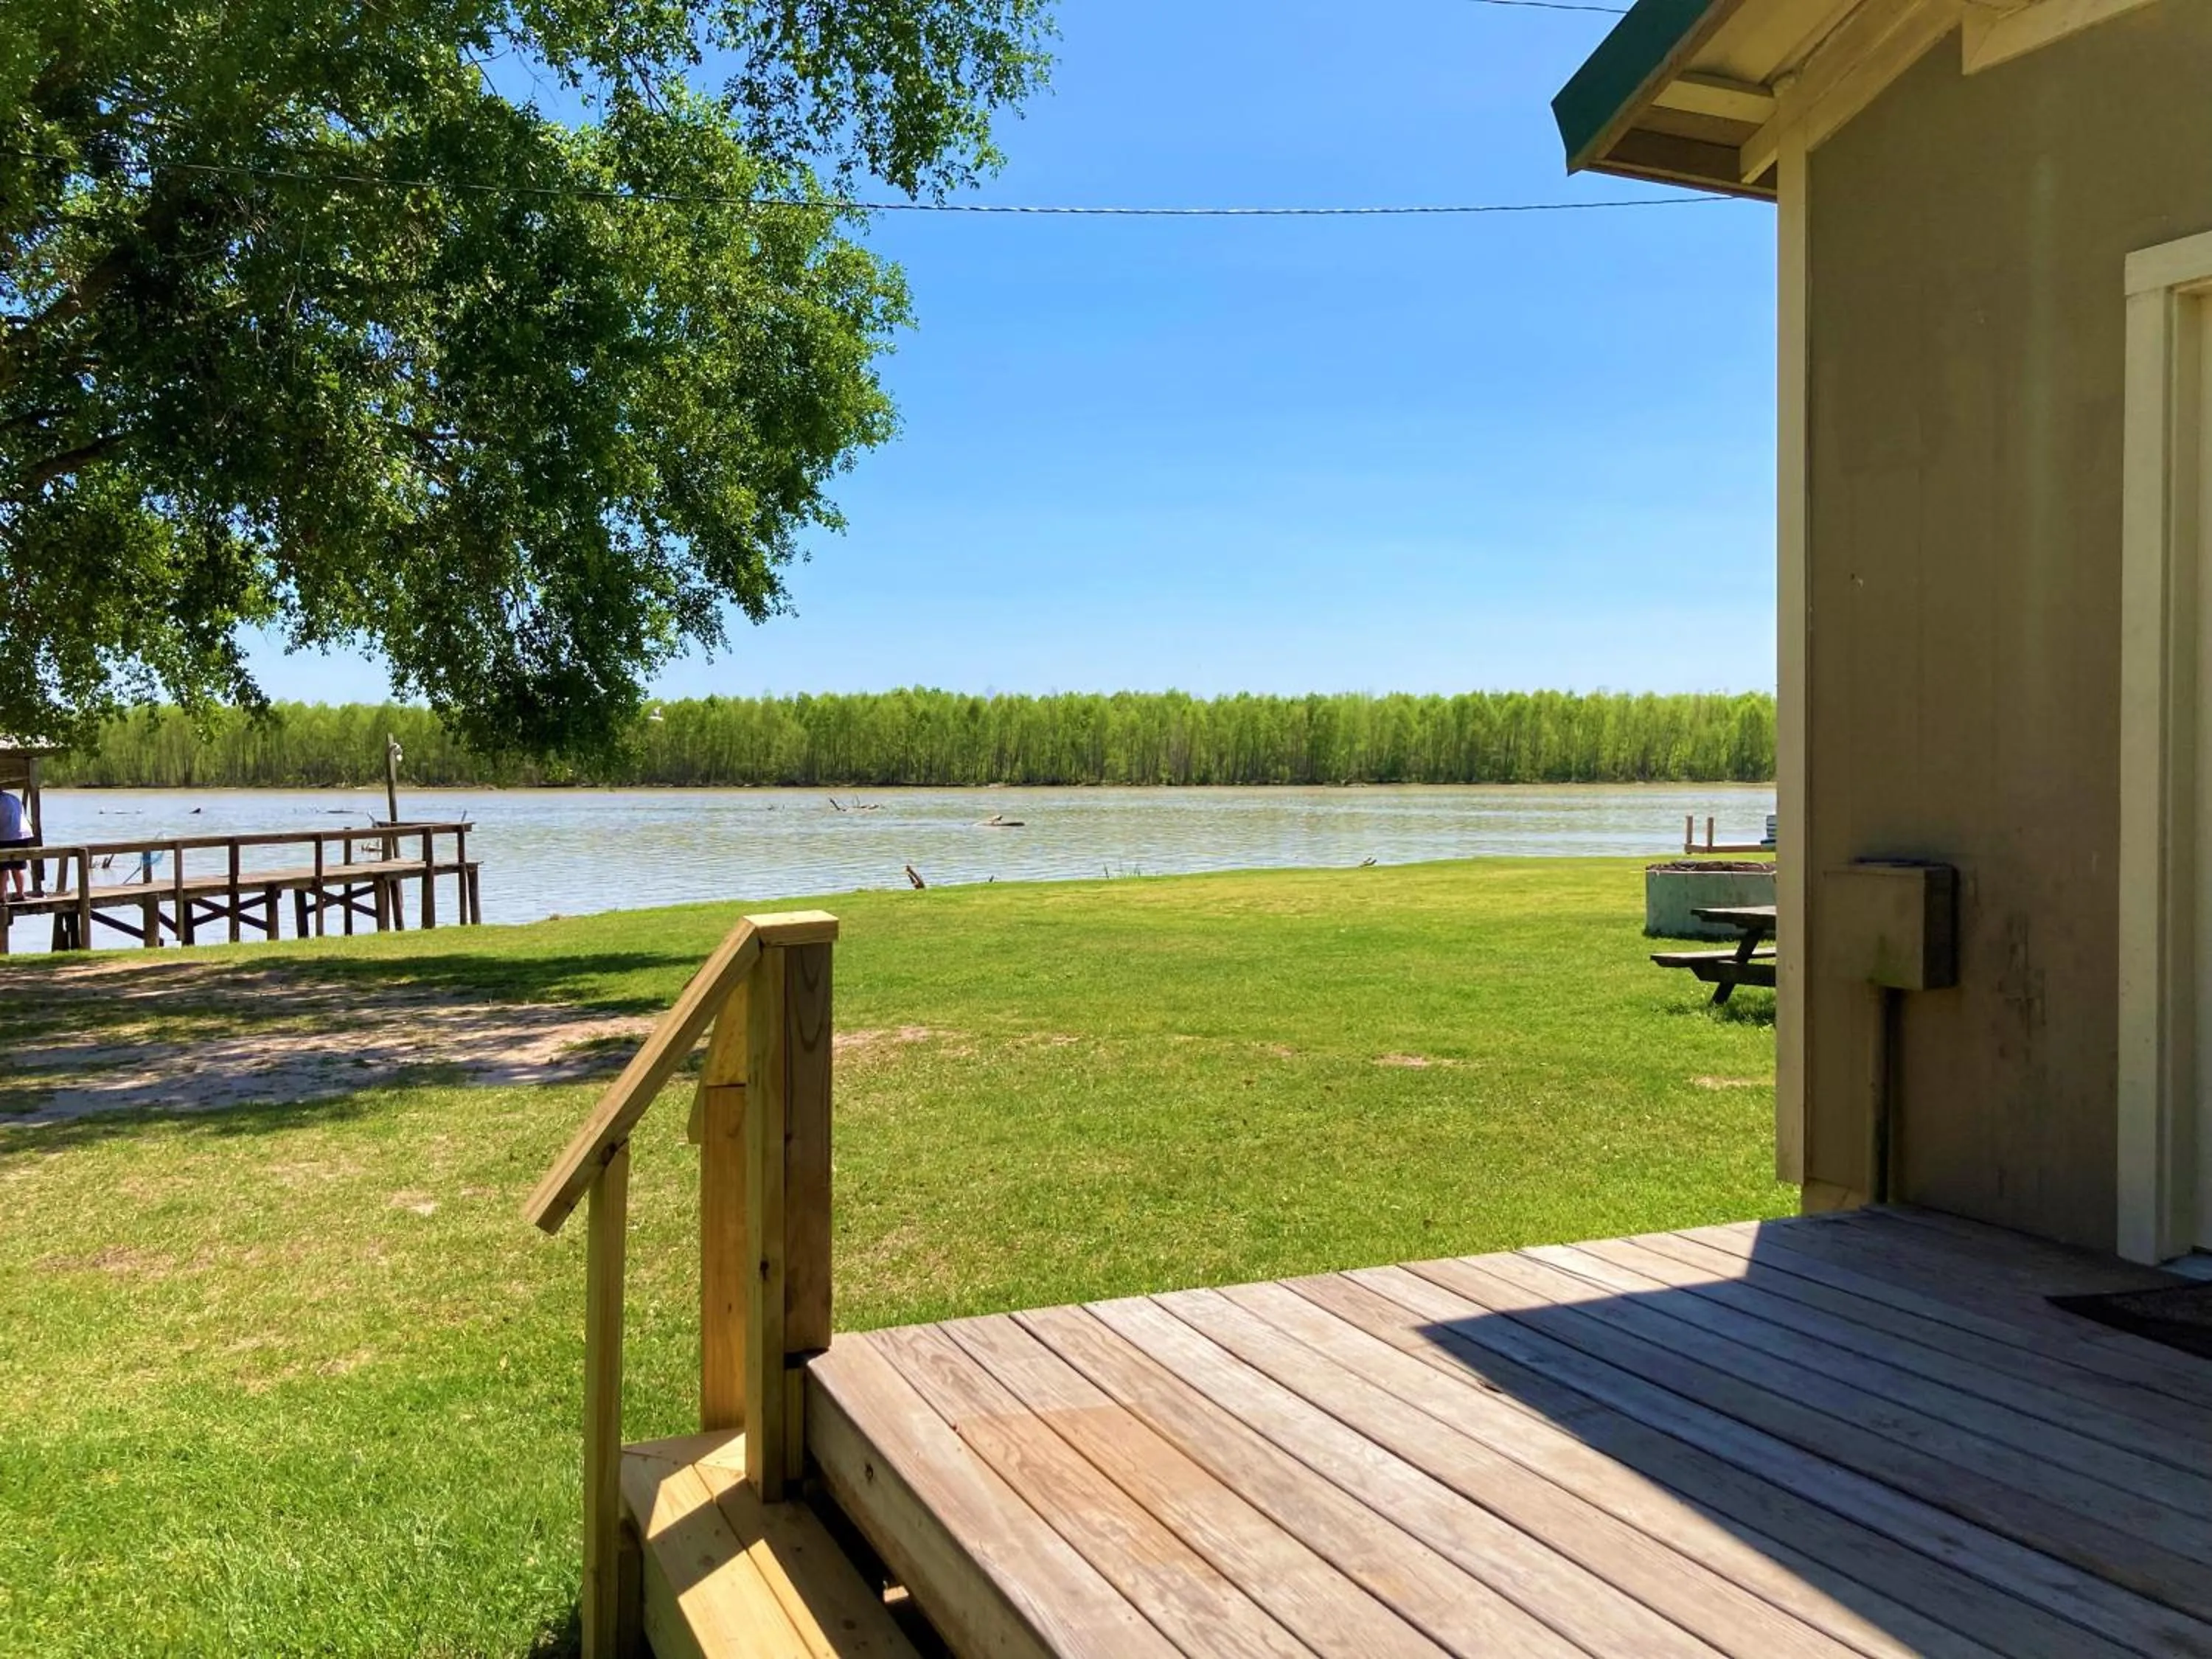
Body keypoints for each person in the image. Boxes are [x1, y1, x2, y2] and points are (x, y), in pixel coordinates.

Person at [0, 787, 28, 900]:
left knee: (2, 867)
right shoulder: (13, 798)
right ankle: (20, 894)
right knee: (18, 867)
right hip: (23, 834)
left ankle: (1, 896)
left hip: (7, 835)